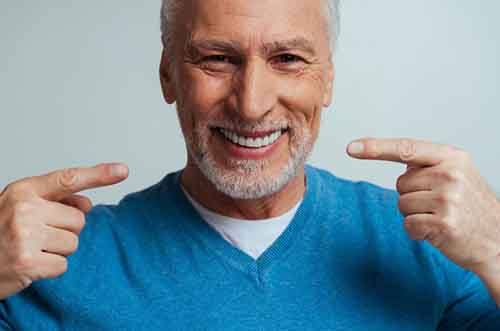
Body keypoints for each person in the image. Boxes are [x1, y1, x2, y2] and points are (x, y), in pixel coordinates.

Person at [1, 0, 499, 329]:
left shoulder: (426, 246)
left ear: (326, 81)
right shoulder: (56, 261)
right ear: (168, 76)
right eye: (217, 59)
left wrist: (497, 253)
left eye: (287, 59)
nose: (251, 104)